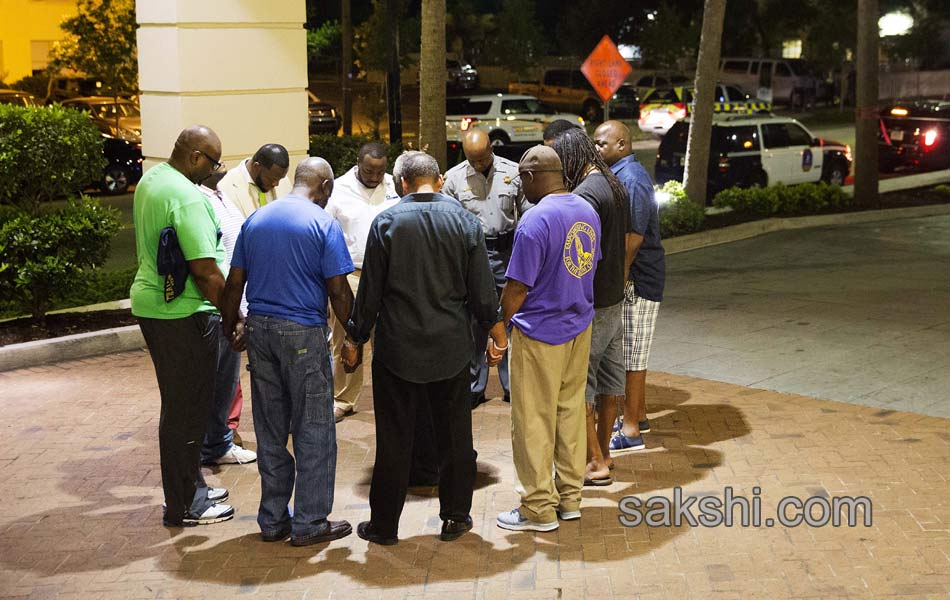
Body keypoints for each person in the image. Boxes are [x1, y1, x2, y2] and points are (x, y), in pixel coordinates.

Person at [345, 152, 506, 545]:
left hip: (397, 349)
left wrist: (355, 338)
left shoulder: (386, 222)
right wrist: (495, 333)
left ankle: (384, 526)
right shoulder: (466, 222)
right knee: (455, 437)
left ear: (402, 183)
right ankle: (455, 517)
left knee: (395, 439)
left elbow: (370, 294)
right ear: (437, 179)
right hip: (450, 348)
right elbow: (483, 292)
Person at [220, 157, 355, 546]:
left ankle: (273, 519)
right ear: (325, 187)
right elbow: (339, 290)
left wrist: (232, 327)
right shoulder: (322, 223)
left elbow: (234, 283)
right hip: (302, 333)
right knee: (314, 427)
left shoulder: (257, 219)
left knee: (270, 428)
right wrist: (356, 335)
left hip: (260, 330)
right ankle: (311, 522)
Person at [131, 125, 235, 527]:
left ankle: (192, 485)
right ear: (195, 157)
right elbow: (207, 272)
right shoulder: (187, 197)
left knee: (182, 407)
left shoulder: (154, 177)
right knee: (185, 412)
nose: (215, 170)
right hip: (180, 313)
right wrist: (233, 319)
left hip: (157, 304)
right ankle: (184, 504)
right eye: (213, 162)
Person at [496, 145, 601, 532]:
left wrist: (498, 327)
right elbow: (588, 265)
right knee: (570, 411)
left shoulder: (535, 221)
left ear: (529, 177)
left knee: (532, 421)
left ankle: (537, 508)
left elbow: (517, 287)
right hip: (579, 325)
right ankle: (570, 498)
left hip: (539, 331)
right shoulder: (587, 211)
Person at [550, 128, 630, 486]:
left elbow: (580, 256)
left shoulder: (585, 195)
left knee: (580, 383)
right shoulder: (614, 183)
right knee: (611, 380)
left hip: (594, 302)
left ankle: (593, 461)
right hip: (615, 296)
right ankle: (605, 453)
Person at [592, 120, 666, 454]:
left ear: (621, 144)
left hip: (639, 278)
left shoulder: (632, 179)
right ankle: (640, 414)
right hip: (634, 276)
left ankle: (632, 430)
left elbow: (633, 238)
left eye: (600, 143)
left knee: (633, 354)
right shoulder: (622, 175)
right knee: (630, 351)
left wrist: (618, 280)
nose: (595, 149)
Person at [442, 129, 529, 408]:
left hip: (507, 250)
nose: (479, 165)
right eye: (473, 160)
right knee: (475, 319)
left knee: (509, 316)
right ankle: (474, 386)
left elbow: (527, 212)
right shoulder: (454, 178)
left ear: (491, 149)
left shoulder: (513, 172)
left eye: (482, 158)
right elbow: (449, 221)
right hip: (472, 253)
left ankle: (511, 385)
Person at [324, 142, 400, 422]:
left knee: (390, 337)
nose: (375, 177)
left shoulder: (395, 186)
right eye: (369, 171)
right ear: (358, 164)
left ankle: (389, 394)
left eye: (380, 172)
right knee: (347, 338)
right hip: (352, 275)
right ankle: (343, 398)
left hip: (390, 275)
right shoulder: (338, 189)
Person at [197, 171, 257, 465]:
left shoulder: (222, 197)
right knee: (217, 379)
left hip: (235, 300)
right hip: (219, 303)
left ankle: (219, 442)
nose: (221, 165)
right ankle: (213, 445)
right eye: (214, 159)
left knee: (228, 379)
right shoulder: (199, 199)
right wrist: (228, 309)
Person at [217, 143, 290, 218]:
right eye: (271, 179)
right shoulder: (225, 186)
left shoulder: (282, 180)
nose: (276, 184)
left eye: (280, 179)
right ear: (256, 167)